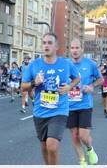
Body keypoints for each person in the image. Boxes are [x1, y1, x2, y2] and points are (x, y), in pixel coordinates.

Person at [21, 33, 80, 165]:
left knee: (52, 146)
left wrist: (69, 86)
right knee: (44, 147)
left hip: (59, 111)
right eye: (44, 43)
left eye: (49, 43)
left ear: (56, 46)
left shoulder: (66, 64)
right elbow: (23, 87)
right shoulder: (34, 65)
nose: (46, 45)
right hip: (40, 112)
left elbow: (77, 78)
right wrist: (34, 83)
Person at [67, 38, 103, 165]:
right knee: (74, 136)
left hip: (85, 105)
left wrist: (92, 86)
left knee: (83, 136)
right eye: (72, 48)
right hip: (70, 106)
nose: (75, 50)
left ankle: (89, 149)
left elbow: (101, 79)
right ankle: (82, 162)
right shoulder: (65, 64)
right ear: (70, 49)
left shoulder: (90, 64)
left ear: (82, 49)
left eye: (77, 48)